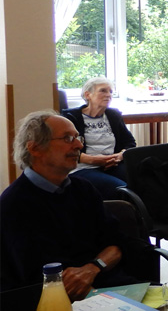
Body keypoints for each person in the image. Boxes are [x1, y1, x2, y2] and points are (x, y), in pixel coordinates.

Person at [0, 111, 133, 306]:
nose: (79, 145)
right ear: (35, 148)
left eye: (77, 137)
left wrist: (92, 268)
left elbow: (117, 245)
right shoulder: (13, 205)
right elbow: (39, 278)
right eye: (67, 138)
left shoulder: (84, 189)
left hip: (109, 289)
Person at [62, 77, 136, 200]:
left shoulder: (113, 115)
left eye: (110, 92)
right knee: (121, 189)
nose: (108, 95)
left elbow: (130, 143)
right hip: (83, 167)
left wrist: (120, 156)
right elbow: (65, 151)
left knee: (141, 182)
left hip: (112, 164)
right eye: (103, 91)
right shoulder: (71, 117)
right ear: (88, 95)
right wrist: (94, 160)